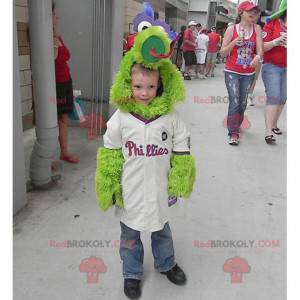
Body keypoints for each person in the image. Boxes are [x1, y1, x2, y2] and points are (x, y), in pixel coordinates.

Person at [95, 27, 196, 299]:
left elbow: (182, 148)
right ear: (129, 85)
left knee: (161, 229)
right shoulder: (121, 118)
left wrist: (179, 179)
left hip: (159, 188)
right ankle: (132, 273)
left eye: (151, 87)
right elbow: (110, 152)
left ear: (160, 85)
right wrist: (110, 183)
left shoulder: (170, 118)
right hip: (130, 190)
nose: (144, 92)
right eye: (138, 87)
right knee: (130, 236)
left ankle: (166, 263)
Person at [220, 1, 263, 145]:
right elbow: (222, 53)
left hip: (248, 73)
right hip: (232, 71)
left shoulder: (257, 28)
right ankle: (233, 132)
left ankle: (236, 124)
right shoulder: (232, 29)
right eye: (250, 11)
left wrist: (257, 57)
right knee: (235, 100)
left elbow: (260, 50)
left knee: (243, 103)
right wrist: (234, 43)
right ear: (241, 13)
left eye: (256, 12)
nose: (254, 14)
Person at [52, 3, 79, 163]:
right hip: (53, 85)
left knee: (63, 119)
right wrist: (54, 36)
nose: (57, 17)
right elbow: (55, 57)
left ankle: (64, 152)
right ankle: (46, 159)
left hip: (65, 81)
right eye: (54, 14)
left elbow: (66, 55)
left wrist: (56, 35)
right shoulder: (42, 35)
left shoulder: (57, 35)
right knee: (50, 121)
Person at [261, 0, 287, 144]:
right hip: (272, 66)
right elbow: (263, 46)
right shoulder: (272, 23)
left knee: (283, 98)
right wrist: (277, 41)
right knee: (274, 97)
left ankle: (274, 124)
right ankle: (268, 131)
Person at [247, 11, 265, 106]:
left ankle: (249, 95)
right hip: (245, 55)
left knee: (253, 77)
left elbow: (264, 41)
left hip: (257, 56)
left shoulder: (262, 26)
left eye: (258, 14)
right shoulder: (245, 24)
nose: (256, 16)